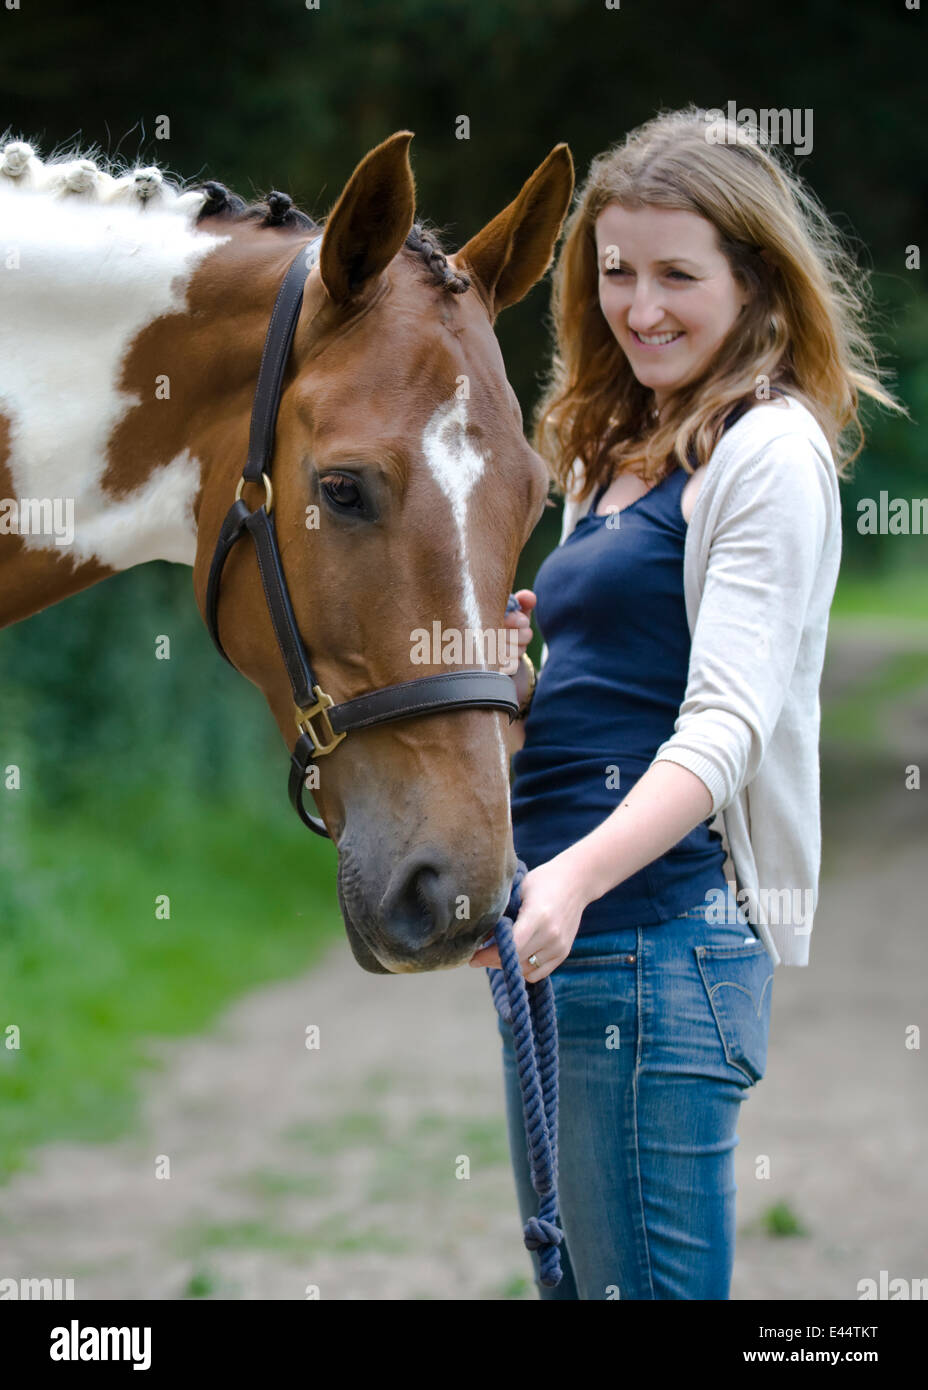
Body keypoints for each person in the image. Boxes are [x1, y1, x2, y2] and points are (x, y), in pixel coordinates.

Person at [468, 104, 906, 1300]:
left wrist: (567, 879)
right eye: (617, 271)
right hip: (565, 939)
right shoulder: (607, 448)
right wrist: (525, 686)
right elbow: (620, 685)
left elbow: (723, 725)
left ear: (755, 278)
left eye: (677, 274)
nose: (640, 306)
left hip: (658, 942)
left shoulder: (767, 450)